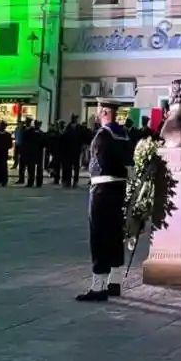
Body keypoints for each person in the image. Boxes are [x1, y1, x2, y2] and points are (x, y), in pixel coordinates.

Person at [77, 103, 131, 302]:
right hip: (119, 188)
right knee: (115, 234)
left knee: (98, 236)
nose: (98, 116)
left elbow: (96, 162)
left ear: (105, 113)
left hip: (101, 189)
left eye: (99, 112)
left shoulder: (103, 135)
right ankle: (114, 282)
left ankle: (98, 286)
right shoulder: (124, 134)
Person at [58, 115, 84, 188]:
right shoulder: (67, 128)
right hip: (68, 151)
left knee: (76, 167)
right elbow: (63, 139)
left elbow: (82, 138)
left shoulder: (79, 128)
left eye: (75, 118)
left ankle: (75, 181)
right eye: (74, 118)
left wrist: (81, 146)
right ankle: (67, 181)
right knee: (67, 167)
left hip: (76, 150)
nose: (75, 120)